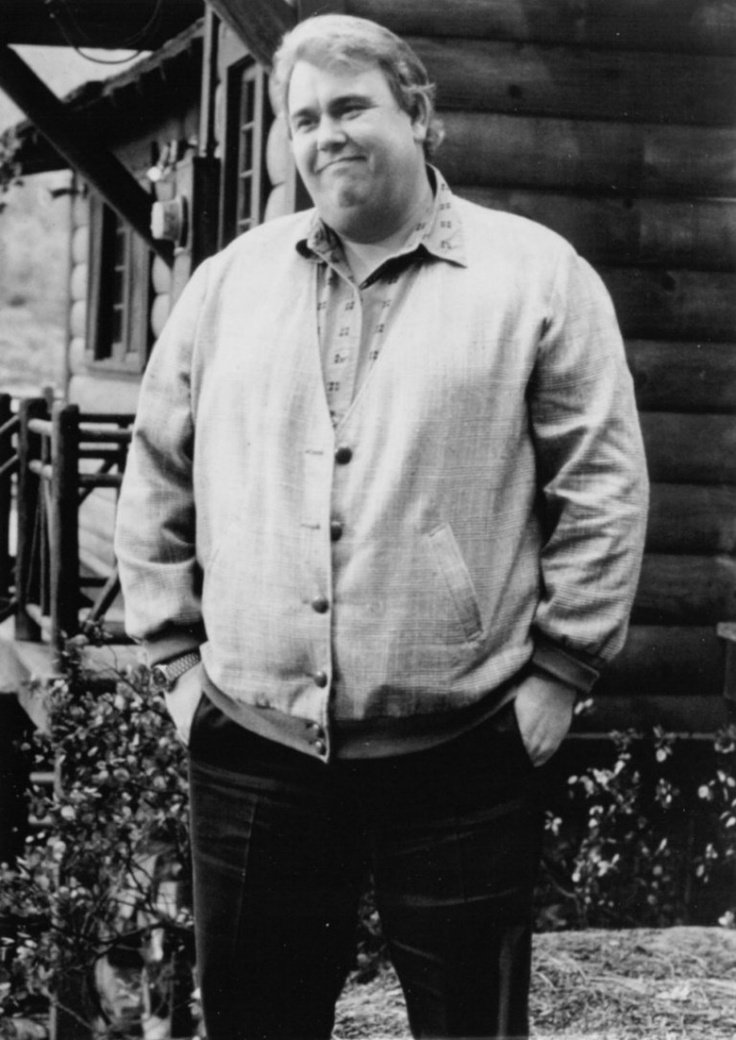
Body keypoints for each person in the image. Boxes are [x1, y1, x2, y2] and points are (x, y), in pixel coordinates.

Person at [115, 14, 649, 1040]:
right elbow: (156, 471)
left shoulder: (535, 276)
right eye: (302, 117)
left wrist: (559, 673)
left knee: (467, 1027)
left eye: (351, 106)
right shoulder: (227, 286)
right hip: (254, 747)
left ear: (418, 113)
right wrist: (177, 666)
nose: (326, 135)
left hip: (461, 752)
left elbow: (603, 487)